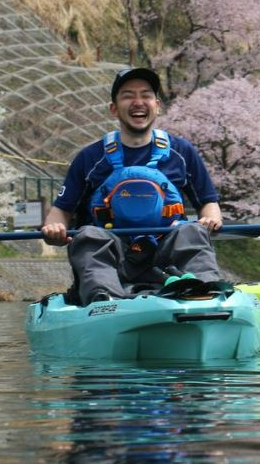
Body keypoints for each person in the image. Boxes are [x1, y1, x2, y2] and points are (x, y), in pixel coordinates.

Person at [41, 67, 224, 304]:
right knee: (88, 235)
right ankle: (104, 301)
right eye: (128, 95)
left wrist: (211, 219)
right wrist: (54, 229)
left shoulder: (182, 152)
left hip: (168, 257)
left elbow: (208, 203)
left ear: (157, 105)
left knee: (192, 230)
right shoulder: (90, 157)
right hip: (112, 258)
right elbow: (61, 211)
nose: (138, 102)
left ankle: (204, 293)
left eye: (146, 95)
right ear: (114, 109)